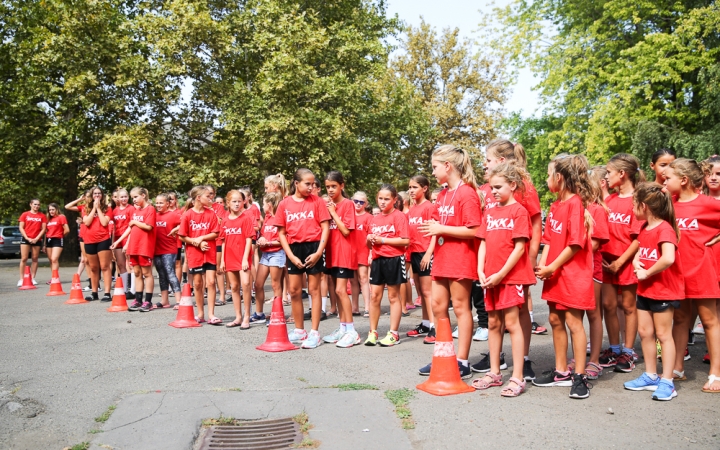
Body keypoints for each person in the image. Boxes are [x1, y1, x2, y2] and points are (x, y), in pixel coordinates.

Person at [418, 145, 483, 380]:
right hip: (442, 258)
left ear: (448, 166)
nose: (433, 172)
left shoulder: (467, 193)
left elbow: (475, 230)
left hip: (461, 258)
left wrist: (440, 228)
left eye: (435, 167)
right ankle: (444, 355)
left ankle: (462, 361)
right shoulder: (444, 194)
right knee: (437, 306)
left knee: (461, 307)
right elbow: (436, 226)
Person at [533, 154, 595, 399]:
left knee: (573, 322)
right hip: (555, 274)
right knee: (555, 320)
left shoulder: (575, 204)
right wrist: (543, 262)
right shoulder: (556, 205)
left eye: (549, 174)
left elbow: (576, 244)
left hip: (572, 276)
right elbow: (549, 239)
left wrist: (552, 267)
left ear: (559, 177)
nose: (547, 179)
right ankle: (561, 372)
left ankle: (579, 376)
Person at [482, 139, 545, 381]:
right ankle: (495, 362)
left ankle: (524, 360)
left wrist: (530, 258)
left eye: (488, 160)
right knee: (496, 318)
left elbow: (536, 224)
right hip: (495, 262)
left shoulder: (524, 189)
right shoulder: (491, 188)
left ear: (500, 161)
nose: (484, 164)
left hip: (515, 262)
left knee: (518, 312)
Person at [472, 163, 535, 397]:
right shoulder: (489, 212)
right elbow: (484, 243)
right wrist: (481, 270)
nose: (493, 191)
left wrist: (501, 275)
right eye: (491, 187)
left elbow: (519, 248)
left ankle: (518, 376)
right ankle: (495, 372)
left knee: (511, 323)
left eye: (498, 187)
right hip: (490, 277)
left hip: (510, 277)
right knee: (493, 324)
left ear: (513, 185)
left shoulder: (519, 211)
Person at [663, 158, 720, 392]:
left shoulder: (708, 203)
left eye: (668, 179)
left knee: (709, 320)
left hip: (702, 271)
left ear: (684, 180)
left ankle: (716, 372)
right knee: (680, 319)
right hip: (676, 271)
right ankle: (677, 367)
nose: (664, 183)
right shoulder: (669, 204)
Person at [623, 183, 683, 401]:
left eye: (634, 205)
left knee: (663, 335)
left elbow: (668, 258)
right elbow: (640, 252)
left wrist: (647, 273)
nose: (632, 209)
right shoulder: (644, 227)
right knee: (645, 332)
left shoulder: (665, 229)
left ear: (644, 206)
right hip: (646, 290)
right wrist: (638, 265)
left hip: (664, 291)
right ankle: (650, 375)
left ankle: (667, 381)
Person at [600, 154, 645, 372]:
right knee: (608, 305)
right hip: (606, 263)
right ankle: (614, 348)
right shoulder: (608, 201)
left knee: (628, 306)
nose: (606, 176)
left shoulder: (638, 200)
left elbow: (639, 239)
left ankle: (628, 352)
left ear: (622, 174)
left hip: (625, 262)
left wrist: (620, 262)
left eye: (609, 172)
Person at [277, 168, 331, 349]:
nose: (311, 187)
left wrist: (318, 253)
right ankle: (299, 330)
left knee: (314, 290)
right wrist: (290, 255)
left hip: (314, 246)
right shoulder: (284, 204)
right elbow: (282, 233)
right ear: (296, 183)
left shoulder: (317, 202)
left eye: (313, 184)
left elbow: (325, 228)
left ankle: (315, 332)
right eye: (307, 183)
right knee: (294, 291)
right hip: (294, 249)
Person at [364, 184, 410, 347]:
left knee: (392, 296)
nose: (382, 202)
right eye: (380, 198)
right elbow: (370, 244)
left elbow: (405, 241)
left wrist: (383, 240)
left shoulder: (398, 216)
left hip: (394, 259)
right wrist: (369, 241)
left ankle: (393, 334)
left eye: (386, 199)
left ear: (394, 200)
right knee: (374, 296)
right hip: (377, 260)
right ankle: (373, 332)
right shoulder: (374, 219)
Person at [321, 171, 360, 348]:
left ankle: (352, 331)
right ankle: (343, 327)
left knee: (341, 291)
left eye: (333, 186)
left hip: (344, 253)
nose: (330, 190)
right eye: (328, 186)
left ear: (342, 186)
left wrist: (333, 213)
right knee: (337, 292)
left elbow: (346, 231)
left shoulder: (348, 204)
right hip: (331, 253)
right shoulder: (327, 205)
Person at [178, 186, 220, 324]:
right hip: (194, 254)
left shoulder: (211, 213)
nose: (210, 198)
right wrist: (196, 243)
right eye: (207, 196)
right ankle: (200, 314)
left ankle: (211, 314)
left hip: (209, 252)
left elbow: (215, 233)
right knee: (197, 284)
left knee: (211, 282)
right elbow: (182, 236)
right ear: (198, 198)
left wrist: (201, 239)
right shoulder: (188, 214)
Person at [405, 176, 439, 342]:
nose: (411, 190)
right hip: (414, 253)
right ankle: (425, 324)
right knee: (420, 291)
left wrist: (429, 253)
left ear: (424, 188)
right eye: (410, 187)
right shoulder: (411, 210)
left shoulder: (429, 207)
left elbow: (435, 232)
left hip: (425, 252)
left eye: (415, 187)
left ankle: (435, 327)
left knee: (428, 292)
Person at [112, 187, 155, 311]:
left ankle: (148, 301)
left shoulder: (150, 209)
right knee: (137, 273)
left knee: (147, 273)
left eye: (135, 197)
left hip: (145, 246)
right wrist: (118, 242)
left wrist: (135, 222)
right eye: (133, 198)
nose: (133, 200)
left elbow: (148, 227)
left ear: (143, 195)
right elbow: (130, 228)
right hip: (134, 246)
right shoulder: (136, 211)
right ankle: (138, 299)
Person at [586, 170, 610, 380]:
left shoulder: (598, 210)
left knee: (594, 315)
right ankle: (580, 357)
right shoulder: (577, 206)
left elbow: (596, 242)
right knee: (577, 316)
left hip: (592, 269)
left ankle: (594, 359)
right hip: (575, 270)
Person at [220, 190, 254, 329]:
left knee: (245, 284)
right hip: (229, 256)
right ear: (228, 203)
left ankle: (247, 316)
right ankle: (238, 316)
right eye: (234, 201)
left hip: (243, 256)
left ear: (243, 202)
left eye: (239, 201)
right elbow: (223, 241)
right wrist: (222, 260)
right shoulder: (225, 220)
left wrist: (245, 258)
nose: (237, 204)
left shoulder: (246, 218)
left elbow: (249, 239)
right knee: (234, 287)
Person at [251, 192, 286, 325]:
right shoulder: (267, 218)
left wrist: (269, 243)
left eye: (264, 204)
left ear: (269, 205)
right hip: (266, 254)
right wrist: (261, 239)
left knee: (275, 285)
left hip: (277, 253)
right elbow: (264, 235)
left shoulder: (280, 218)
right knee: (258, 284)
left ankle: (277, 315)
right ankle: (259, 314)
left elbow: (284, 240)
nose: (262, 206)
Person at [77, 187, 113, 301]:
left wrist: (98, 209)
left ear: (102, 195)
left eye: (99, 193)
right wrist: (94, 208)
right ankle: (94, 292)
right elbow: (87, 222)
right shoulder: (85, 208)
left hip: (103, 239)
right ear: (92, 195)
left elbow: (104, 222)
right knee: (93, 267)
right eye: (95, 193)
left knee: (105, 266)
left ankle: (107, 293)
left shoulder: (107, 208)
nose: (97, 195)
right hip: (89, 240)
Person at [153, 193, 182, 309]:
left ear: (167, 204)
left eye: (161, 203)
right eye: (157, 203)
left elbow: (186, 223)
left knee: (170, 273)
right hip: (157, 249)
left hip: (169, 249)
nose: (158, 205)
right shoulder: (154, 216)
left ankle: (179, 301)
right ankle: (165, 300)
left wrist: (176, 228)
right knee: (161, 275)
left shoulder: (174, 215)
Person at [350, 191, 372, 317]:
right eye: (356, 201)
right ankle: (355, 307)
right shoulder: (349, 215)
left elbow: (371, 238)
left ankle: (367, 307)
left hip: (363, 250)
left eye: (361, 202)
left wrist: (370, 253)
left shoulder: (368, 217)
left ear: (366, 203)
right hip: (350, 251)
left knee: (363, 279)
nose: (358, 204)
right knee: (352, 280)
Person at [111, 188, 135, 299]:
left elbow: (132, 227)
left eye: (125, 196)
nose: (124, 199)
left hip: (128, 239)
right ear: (118, 198)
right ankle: (124, 289)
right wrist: (113, 242)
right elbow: (113, 227)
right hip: (117, 239)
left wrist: (127, 243)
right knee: (120, 265)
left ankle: (134, 290)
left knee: (131, 264)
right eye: (121, 197)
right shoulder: (114, 210)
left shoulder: (131, 209)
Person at [18, 198, 47, 286]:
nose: (36, 206)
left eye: (38, 205)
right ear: (31, 204)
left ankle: (32, 278)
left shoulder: (42, 216)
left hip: (37, 239)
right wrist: (27, 238)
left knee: (35, 258)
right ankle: (21, 279)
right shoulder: (25, 214)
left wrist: (36, 238)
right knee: (24, 258)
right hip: (26, 239)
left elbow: (43, 229)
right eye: (35, 204)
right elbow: (21, 227)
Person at [43, 203, 69, 276]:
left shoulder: (61, 217)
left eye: (53, 209)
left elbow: (67, 230)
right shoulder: (48, 219)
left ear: (57, 209)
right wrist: (44, 244)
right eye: (50, 210)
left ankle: (55, 277)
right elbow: (46, 233)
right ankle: (53, 277)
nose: (51, 211)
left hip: (57, 239)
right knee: (51, 260)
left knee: (54, 259)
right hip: (48, 240)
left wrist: (60, 235)